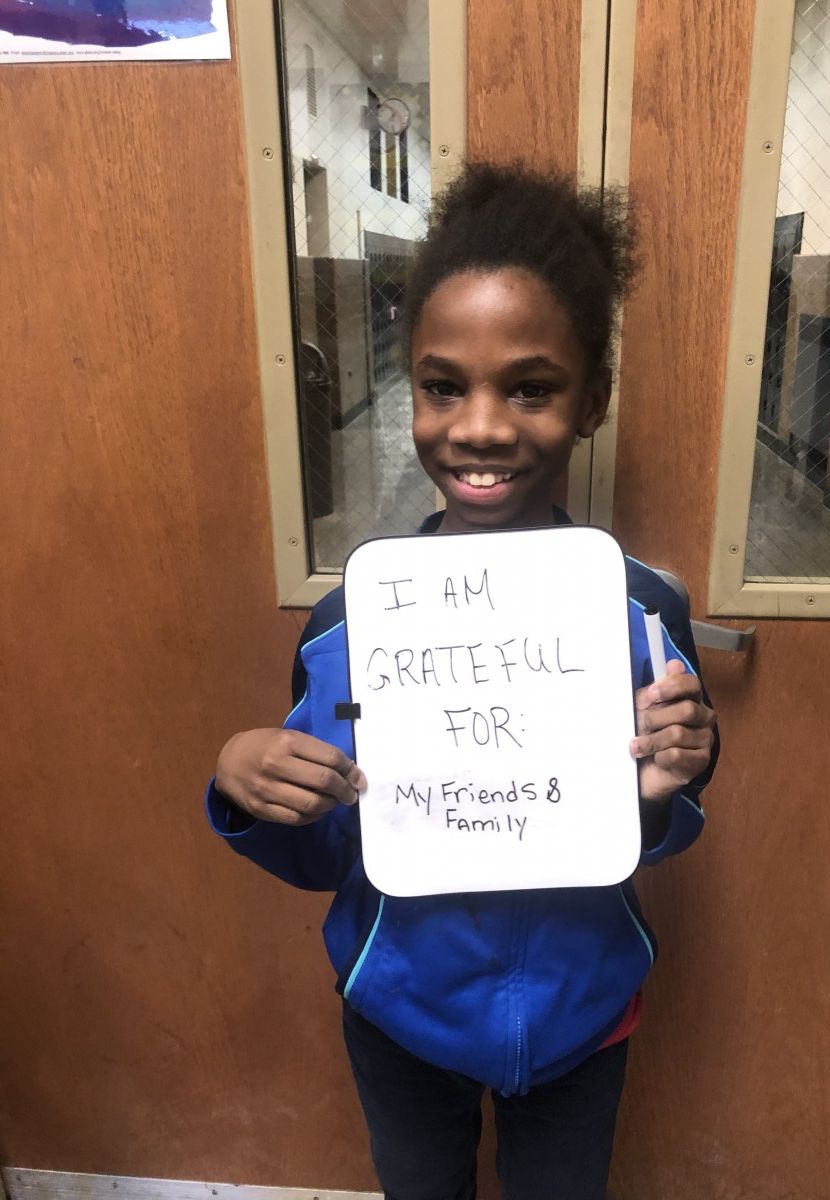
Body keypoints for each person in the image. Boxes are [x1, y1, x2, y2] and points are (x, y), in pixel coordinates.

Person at [206, 163, 718, 1200]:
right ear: (413, 391)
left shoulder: (640, 611)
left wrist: (668, 786)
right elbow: (329, 844)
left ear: (591, 401)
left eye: (530, 387)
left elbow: (662, 810)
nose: (481, 426)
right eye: (445, 386)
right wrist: (245, 780)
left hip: (584, 1016)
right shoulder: (353, 622)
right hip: (400, 1011)